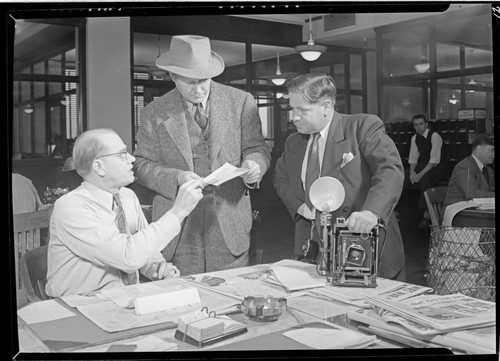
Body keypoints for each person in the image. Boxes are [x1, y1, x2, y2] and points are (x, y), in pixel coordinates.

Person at [133, 35, 271, 275]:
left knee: (233, 296)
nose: (198, 90)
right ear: (173, 77)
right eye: (189, 82)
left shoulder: (241, 102)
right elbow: (141, 165)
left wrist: (255, 165)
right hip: (178, 226)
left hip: (230, 221)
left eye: (203, 81)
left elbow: (257, 148)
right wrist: (176, 177)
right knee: (183, 299)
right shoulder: (153, 113)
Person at [272, 73, 406, 281]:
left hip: (363, 250)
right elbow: (280, 177)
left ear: (326, 107)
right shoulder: (294, 142)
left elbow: (389, 170)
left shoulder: (362, 127)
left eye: (302, 110)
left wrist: (371, 212)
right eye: (292, 109)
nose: (294, 117)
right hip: (314, 254)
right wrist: (300, 207)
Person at [45, 128, 203, 297]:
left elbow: (144, 249)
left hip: (123, 300)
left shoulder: (127, 196)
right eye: (122, 154)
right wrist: (178, 212)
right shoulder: (71, 207)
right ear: (99, 167)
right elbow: (128, 256)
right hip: (77, 306)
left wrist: (155, 267)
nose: (132, 158)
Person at [402, 114, 443, 229]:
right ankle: (395, 209)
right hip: (422, 165)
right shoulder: (414, 138)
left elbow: (434, 160)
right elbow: (413, 158)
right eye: (416, 125)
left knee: (426, 179)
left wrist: (419, 175)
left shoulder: (434, 136)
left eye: (421, 124)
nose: (419, 127)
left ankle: (426, 216)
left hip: (435, 167)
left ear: (426, 124)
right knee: (402, 175)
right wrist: (412, 172)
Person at [444, 133, 494, 207]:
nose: (494, 154)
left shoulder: (489, 170)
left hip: (475, 212)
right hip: (458, 212)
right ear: (479, 149)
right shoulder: (464, 167)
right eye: (491, 150)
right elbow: (471, 194)